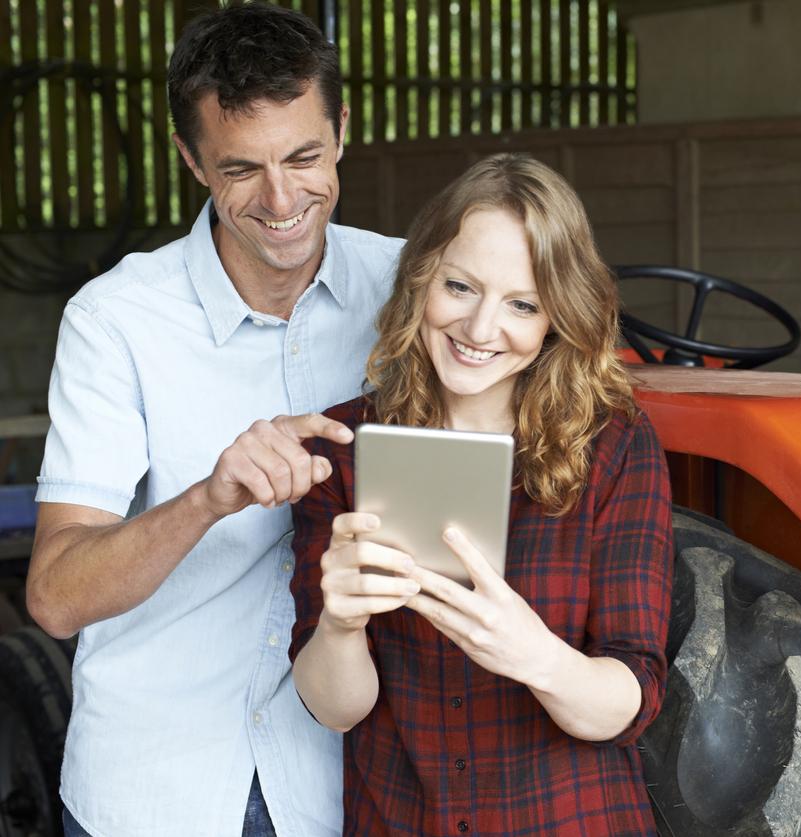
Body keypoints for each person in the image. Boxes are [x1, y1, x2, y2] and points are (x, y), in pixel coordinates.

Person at [28, 4, 402, 835]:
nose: (281, 200)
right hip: (156, 791)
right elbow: (53, 595)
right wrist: (209, 497)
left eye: (305, 156)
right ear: (192, 160)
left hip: (348, 785)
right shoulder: (115, 320)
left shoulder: (413, 290)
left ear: (342, 130)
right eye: (241, 169)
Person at [288, 153, 674, 835]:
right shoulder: (344, 447)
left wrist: (535, 655)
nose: (479, 328)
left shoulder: (613, 446)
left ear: (557, 316)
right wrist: (340, 624)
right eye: (460, 287)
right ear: (422, 277)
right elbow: (335, 709)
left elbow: (633, 699)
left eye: (522, 303)